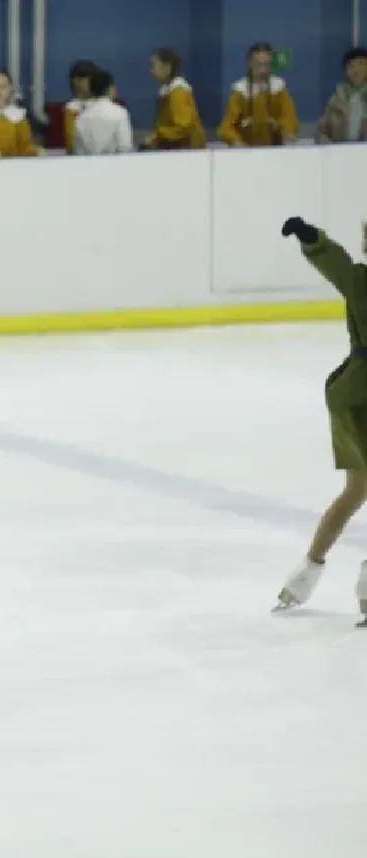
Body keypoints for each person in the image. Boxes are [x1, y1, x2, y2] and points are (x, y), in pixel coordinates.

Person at [275, 216, 367, 621]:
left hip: (352, 395)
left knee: (356, 491)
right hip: (359, 397)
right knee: (357, 489)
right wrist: (313, 239)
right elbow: (339, 267)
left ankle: (304, 577)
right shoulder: (362, 282)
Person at [219, 42, 299, 147]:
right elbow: (226, 128)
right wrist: (236, 142)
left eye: (267, 65)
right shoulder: (239, 91)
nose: (263, 70)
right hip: (245, 150)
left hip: (276, 148)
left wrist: (286, 131)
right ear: (250, 64)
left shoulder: (279, 88)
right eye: (259, 64)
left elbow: (289, 118)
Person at [143, 48, 206, 150]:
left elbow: (183, 129)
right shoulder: (167, 91)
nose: (151, 71)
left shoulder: (178, 92)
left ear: (167, 67)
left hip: (186, 151)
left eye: (153, 66)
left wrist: (157, 135)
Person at [73, 70, 134, 154]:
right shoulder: (120, 113)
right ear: (110, 88)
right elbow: (125, 147)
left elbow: (78, 152)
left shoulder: (81, 118)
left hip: (88, 166)